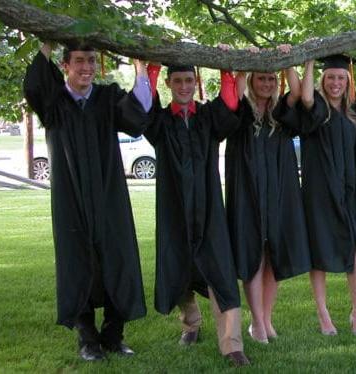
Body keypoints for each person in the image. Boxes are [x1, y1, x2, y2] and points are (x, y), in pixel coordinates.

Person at [22, 41, 150, 361]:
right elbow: (34, 85)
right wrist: (45, 45)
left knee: (118, 260)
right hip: (72, 199)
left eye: (92, 61)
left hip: (109, 197)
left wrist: (139, 68)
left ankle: (113, 335)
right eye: (79, 61)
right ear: (65, 65)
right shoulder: (54, 102)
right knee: (78, 263)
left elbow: (138, 115)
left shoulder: (107, 98)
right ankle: (88, 340)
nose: (87, 67)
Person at [144, 47, 250, 366]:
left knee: (220, 269)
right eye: (177, 80)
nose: (184, 86)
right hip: (174, 210)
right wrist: (148, 65)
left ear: (196, 81)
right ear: (169, 83)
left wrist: (227, 69)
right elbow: (142, 105)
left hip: (209, 210)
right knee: (178, 268)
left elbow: (231, 103)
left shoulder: (206, 118)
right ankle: (191, 324)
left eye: (189, 80)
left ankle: (232, 344)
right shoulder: (160, 121)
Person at [277, 44, 356, 336]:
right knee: (319, 251)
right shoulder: (318, 110)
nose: (336, 83)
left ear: (348, 80)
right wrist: (309, 58)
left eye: (341, 78)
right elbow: (307, 96)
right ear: (323, 81)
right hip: (320, 192)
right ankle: (323, 315)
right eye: (330, 78)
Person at [224, 45, 311, 344]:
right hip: (248, 192)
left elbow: (298, 92)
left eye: (271, 80)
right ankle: (257, 322)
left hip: (279, 192)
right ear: (251, 81)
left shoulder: (280, 113)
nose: (266, 84)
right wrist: (244, 63)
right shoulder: (242, 111)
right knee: (253, 254)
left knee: (273, 255)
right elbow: (232, 94)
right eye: (260, 79)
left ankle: (266, 317)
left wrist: (288, 61)